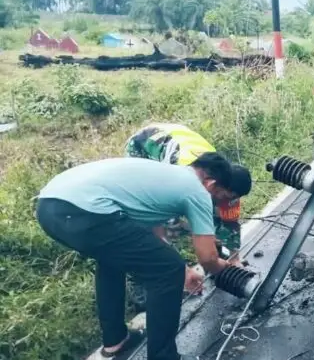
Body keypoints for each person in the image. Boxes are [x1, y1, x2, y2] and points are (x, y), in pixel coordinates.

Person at [36, 153, 240, 360]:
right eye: (220, 196)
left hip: (50, 206)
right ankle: (164, 357)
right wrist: (226, 268)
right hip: (83, 210)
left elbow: (151, 237)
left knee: (111, 260)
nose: (217, 202)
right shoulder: (197, 190)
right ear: (211, 184)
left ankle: (115, 340)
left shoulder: (166, 178)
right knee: (168, 270)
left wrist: (186, 271)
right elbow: (207, 258)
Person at [125, 123, 252, 263]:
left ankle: (217, 251)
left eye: (232, 199)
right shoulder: (183, 178)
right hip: (143, 143)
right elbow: (170, 217)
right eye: (225, 197)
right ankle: (160, 259)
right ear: (214, 184)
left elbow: (230, 223)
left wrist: (234, 258)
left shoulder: (224, 183)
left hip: (182, 140)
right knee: (165, 221)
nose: (226, 201)